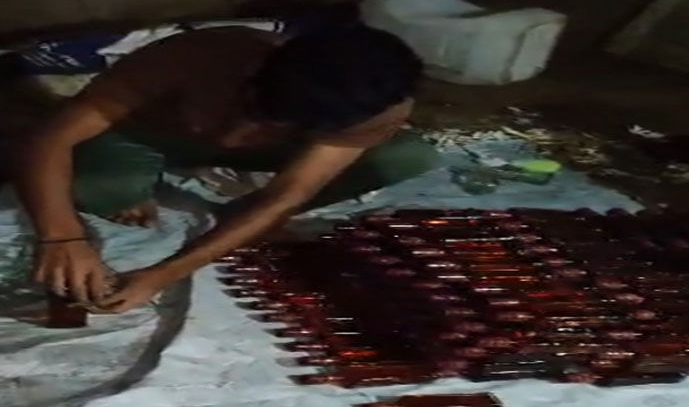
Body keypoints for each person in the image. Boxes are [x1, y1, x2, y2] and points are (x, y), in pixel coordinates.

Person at [13, 25, 438, 313]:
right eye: (252, 106)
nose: (241, 132)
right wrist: (62, 237)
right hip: (151, 133)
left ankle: (236, 221)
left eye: (281, 123)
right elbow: (52, 138)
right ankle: (139, 184)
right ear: (257, 67)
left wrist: (163, 274)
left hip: (269, 154)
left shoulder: (368, 109)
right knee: (94, 189)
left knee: (406, 156)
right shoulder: (198, 54)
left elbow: (288, 194)